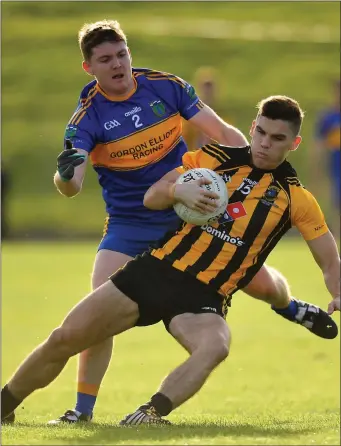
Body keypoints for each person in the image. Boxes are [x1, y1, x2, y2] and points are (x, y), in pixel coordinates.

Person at [2, 95, 340, 426]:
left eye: (277, 138)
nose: (265, 143)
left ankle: (151, 413)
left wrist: (337, 292)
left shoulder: (296, 198)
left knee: (216, 345)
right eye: (261, 132)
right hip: (155, 271)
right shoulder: (214, 158)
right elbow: (152, 197)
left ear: (293, 143)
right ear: (253, 127)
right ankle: (5, 404)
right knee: (66, 338)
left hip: (205, 297)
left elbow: (328, 259)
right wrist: (177, 191)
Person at [48, 18, 298, 424]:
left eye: (122, 54)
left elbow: (223, 132)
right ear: (88, 68)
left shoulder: (165, 86)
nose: (118, 64)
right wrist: (63, 173)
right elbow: (71, 184)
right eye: (106, 59)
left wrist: (249, 167)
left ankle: (293, 308)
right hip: (129, 224)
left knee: (260, 280)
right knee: (96, 317)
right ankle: (82, 410)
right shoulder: (85, 120)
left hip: (184, 213)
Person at [314, 79, 340, 237]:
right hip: (336, 168)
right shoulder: (328, 117)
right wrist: (317, 170)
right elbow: (318, 145)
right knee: (337, 206)